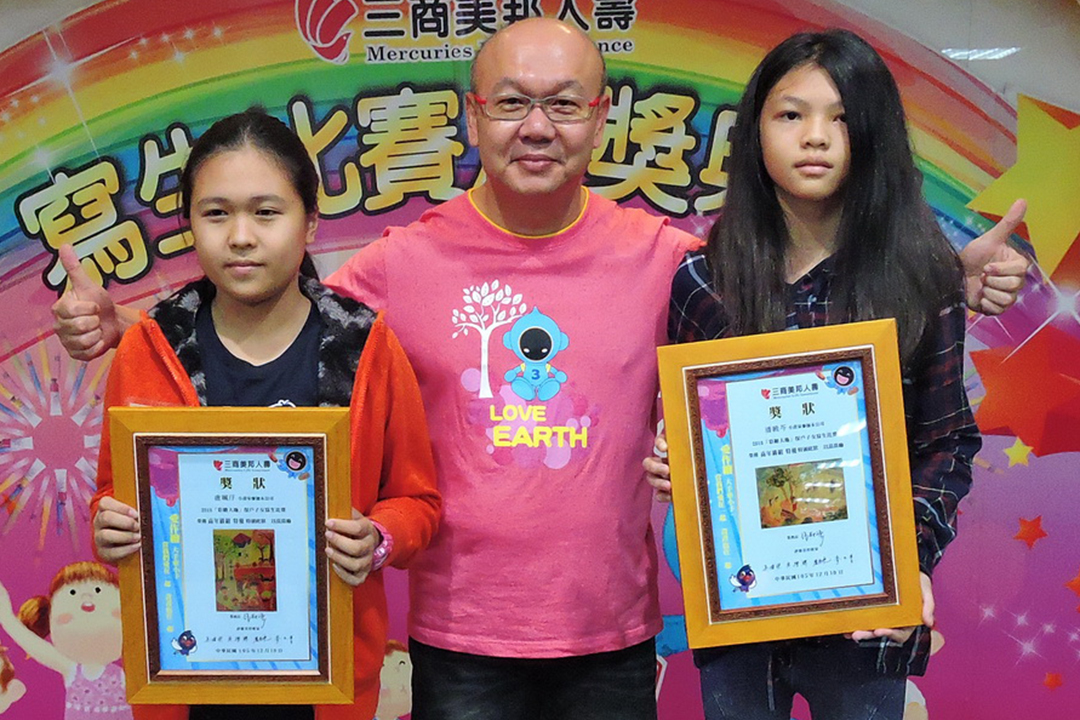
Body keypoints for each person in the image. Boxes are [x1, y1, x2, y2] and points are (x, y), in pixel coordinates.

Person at [52, 19, 1027, 719]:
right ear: (472, 116)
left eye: (563, 104)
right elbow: (267, 305)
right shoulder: (403, 261)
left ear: (600, 116)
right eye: (512, 103)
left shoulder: (666, 258)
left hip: (613, 638)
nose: (537, 126)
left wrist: (944, 273)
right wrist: (126, 322)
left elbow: (790, 300)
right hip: (458, 643)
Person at [646, 28, 989, 719]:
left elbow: (947, 441)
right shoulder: (703, 282)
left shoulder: (921, 280)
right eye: (791, 114)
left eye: (842, 117)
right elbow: (697, 429)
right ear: (754, 131)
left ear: (874, 134)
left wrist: (909, 560)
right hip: (741, 611)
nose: (816, 137)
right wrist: (681, 457)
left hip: (869, 611)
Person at [84, 109, 440, 720]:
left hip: (325, 679)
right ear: (190, 223)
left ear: (310, 221)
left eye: (267, 212)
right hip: (186, 678)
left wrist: (379, 539)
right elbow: (114, 492)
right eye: (216, 213)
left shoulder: (363, 346)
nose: (241, 236)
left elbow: (418, 501)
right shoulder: (152, 345)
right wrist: (109, 525)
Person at [0, 562, 130, 719]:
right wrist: (6, 616)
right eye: (73, 593)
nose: (87, 597)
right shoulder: (74, 671)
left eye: (98, 590)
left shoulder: (125, 675)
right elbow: (35, 646)